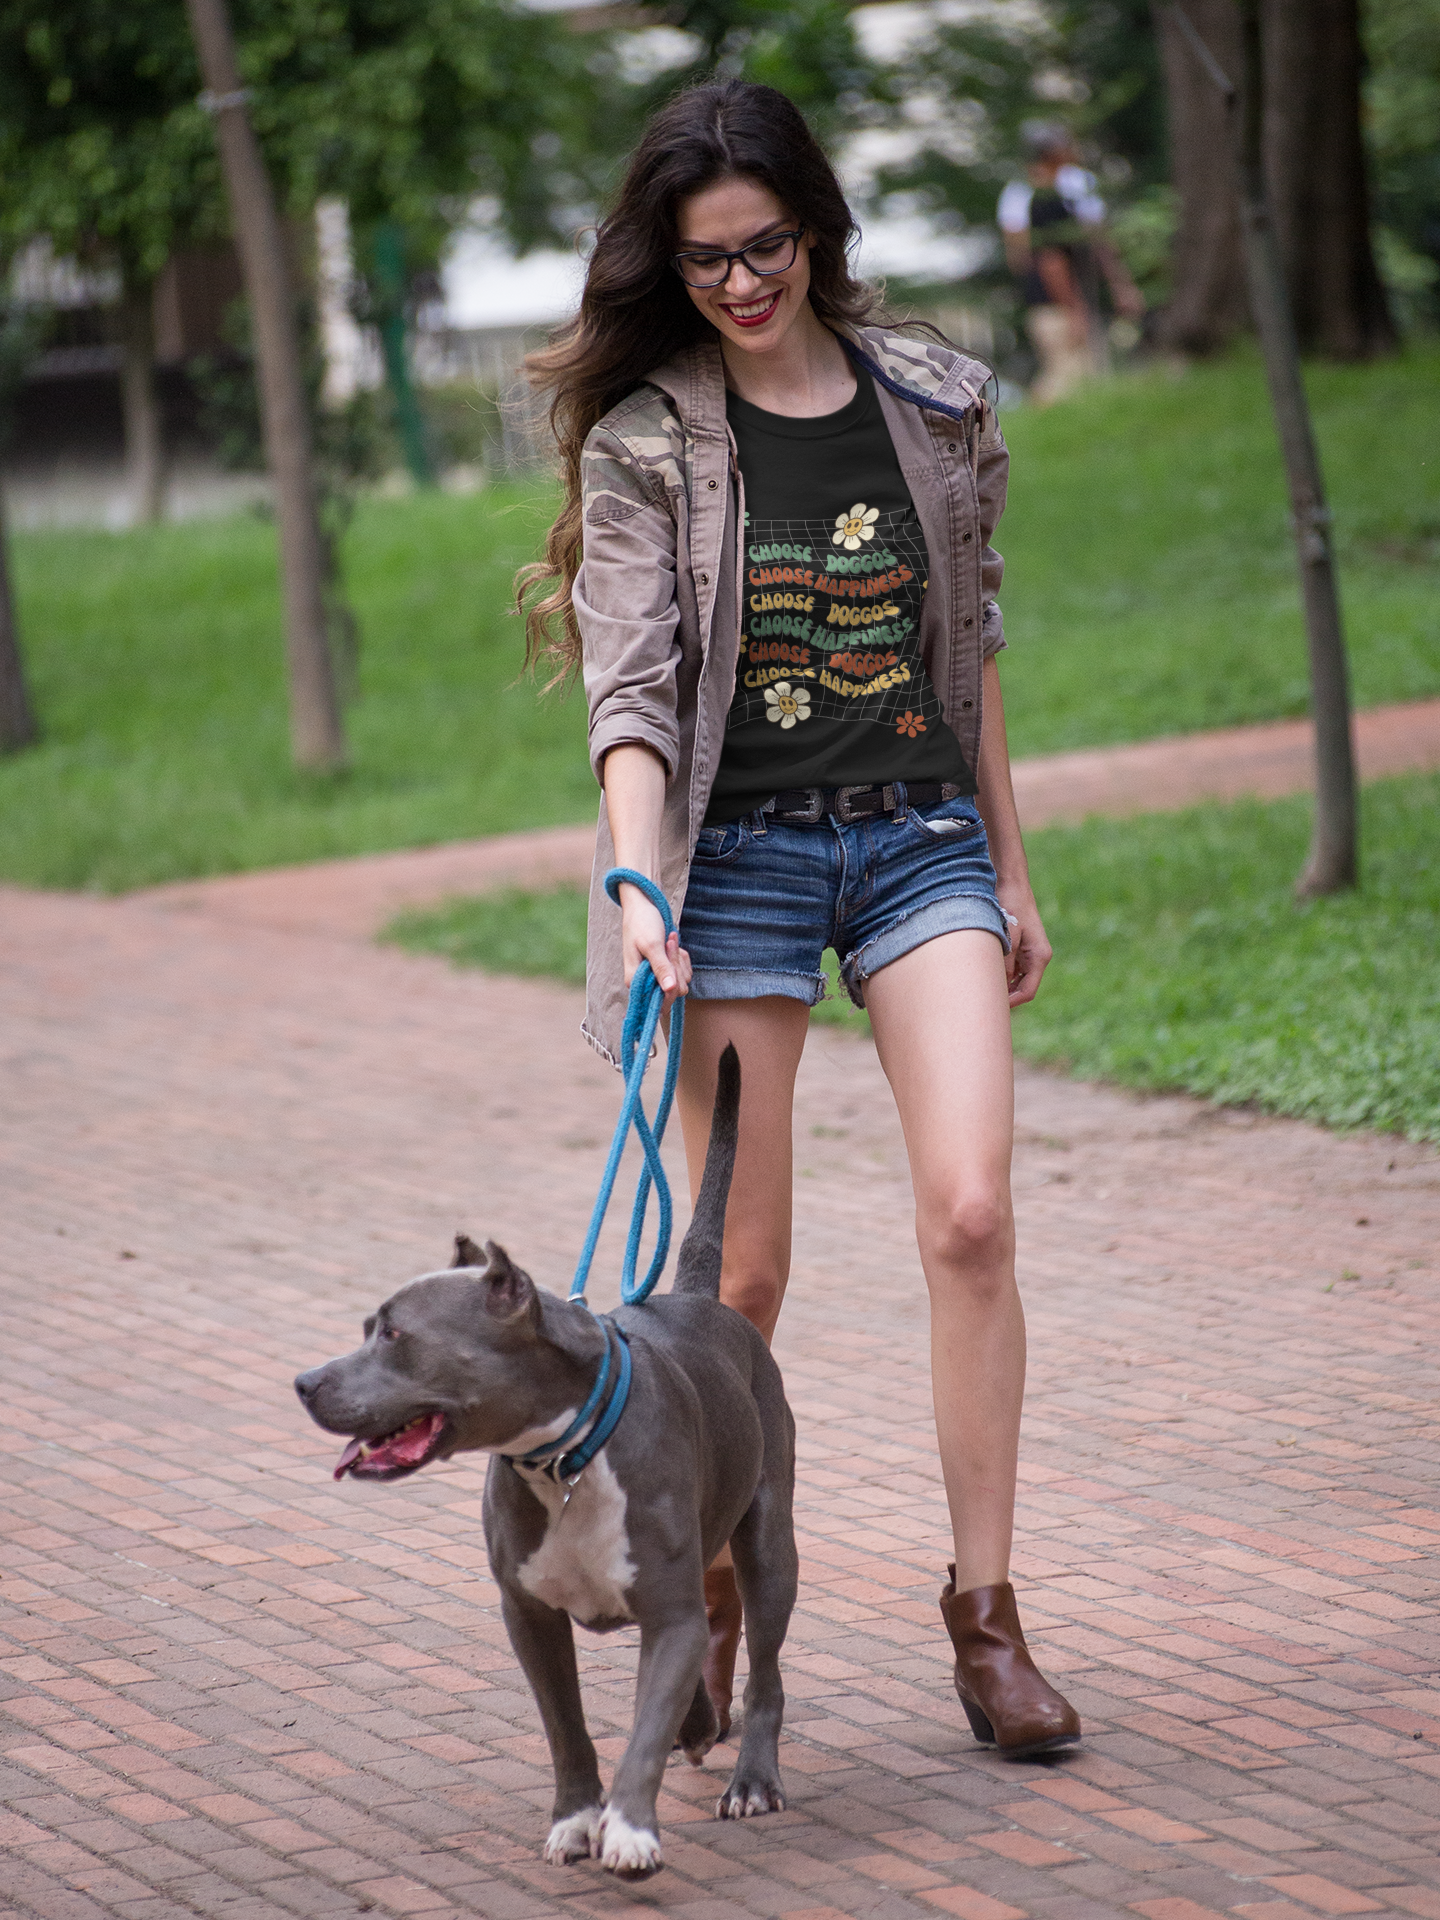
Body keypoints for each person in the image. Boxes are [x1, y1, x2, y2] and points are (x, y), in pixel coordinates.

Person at [518, 79, 1080, 1761]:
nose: (741, 283)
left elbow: (965, 657)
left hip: (916, 845)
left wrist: (1013, 868)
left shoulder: (933, 402)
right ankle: (703, 1596)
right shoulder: (648, 441)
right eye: (705, 264)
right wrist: (640, 884)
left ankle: (985, 1615)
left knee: (972, 1217)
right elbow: (631, 693)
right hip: (735, 866)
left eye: (764, 248)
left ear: (816, 230)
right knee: (735, 1278)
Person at [997, 124, 1144, 406]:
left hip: (1063, 297)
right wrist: (1075, 307)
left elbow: (1018, 257)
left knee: (1077, 375)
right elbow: (1050, 259)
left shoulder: (1042, 190)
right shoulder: (1040, 196)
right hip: (1062, 299)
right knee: (1070, 379)